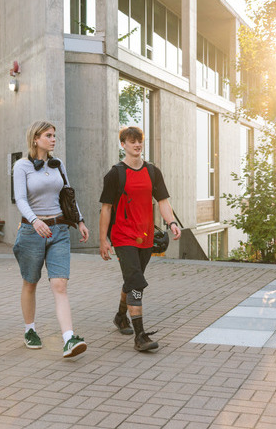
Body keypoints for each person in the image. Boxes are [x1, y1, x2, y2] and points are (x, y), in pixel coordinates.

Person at [12, 120, 90, 358]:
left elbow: (68, 194)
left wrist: (80, 220)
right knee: (30, 282)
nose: (54, 139)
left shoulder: (58, 165)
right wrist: (35, 220)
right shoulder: (22, 166)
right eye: (48, 135)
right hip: (31, 231)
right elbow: (21, 199)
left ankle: (69, 338)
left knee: (60, 284)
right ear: (35, 139)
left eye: (54, 135)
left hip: (59, 230)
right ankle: (30, 330)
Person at [99, 126, 181, 352]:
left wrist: (171, 222)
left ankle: (120, 317)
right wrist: (103, 240)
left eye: (140, 141)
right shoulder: (115, 174)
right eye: (132, 141)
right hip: (122, 236)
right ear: (123, 144)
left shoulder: (152, 172)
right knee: (136, 281)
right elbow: (106, 209)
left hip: (145, 237)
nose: (137, 145)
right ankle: (140, 336)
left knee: (132, 278)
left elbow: (163, 200)